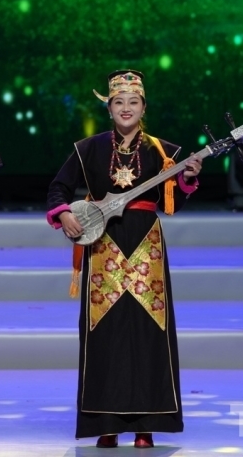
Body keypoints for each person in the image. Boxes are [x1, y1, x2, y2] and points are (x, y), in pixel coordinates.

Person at [46, 70, 201, 448]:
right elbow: (58, 189)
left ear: (144, 107)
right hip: (102, 243)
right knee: (106, 332)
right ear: (110, 108)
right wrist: (64, 214)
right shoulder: (89, 149)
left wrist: (186, 179)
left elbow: (172, 204)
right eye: (118, 102)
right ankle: (106, 423)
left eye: (133, 102)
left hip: (147, 242)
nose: (126, 108)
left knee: (149, 331)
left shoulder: (163, 151)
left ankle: (147, 424)